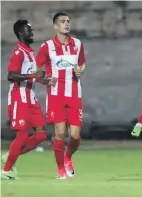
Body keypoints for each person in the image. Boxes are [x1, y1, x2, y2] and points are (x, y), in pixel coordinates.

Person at [36, 12, 86, 179]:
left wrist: (81, 70)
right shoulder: (47, 46)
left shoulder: (78, 44)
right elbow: (36, 70)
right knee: (59, 133)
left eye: (68, 21)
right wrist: (45, 81)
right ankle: (60, 169)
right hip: (56, 96)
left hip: (74, 95)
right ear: (56, 26)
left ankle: (67, 157)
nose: (66, 24)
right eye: (63, 22)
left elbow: (82, 63)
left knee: (75, 135)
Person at [1, 19, 50, 180]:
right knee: (22, 135)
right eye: (29, 30)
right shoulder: (18, 52)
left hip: (31, 97)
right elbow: (11, 75)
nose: (32, 32)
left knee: (41, 134)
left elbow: (31, 75)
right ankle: (6, 170)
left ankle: (10, 156)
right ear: (21, 33)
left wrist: (43, 80)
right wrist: (33, 75)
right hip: (18, 97)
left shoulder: (29, 51)